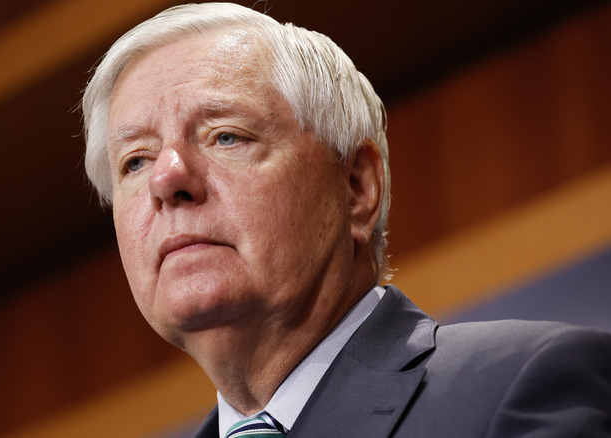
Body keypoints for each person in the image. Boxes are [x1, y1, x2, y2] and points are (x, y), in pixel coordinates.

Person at [81, 3, 611, 437]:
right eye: (136, 161)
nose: (166, 178)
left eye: (226, 136)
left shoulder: (520, 388)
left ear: (357, 187)